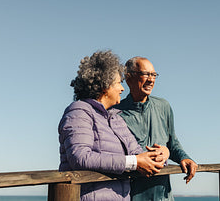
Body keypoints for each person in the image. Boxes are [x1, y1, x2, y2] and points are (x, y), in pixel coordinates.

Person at [58, 51, 169, 201]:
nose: (122, 89)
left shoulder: (115, 118)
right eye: (118, 83)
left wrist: (161, 155)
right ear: (105, 85)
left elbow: (138, 153)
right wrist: (134, 162)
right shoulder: (79, 111)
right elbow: (80, 157)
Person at [114, 57, 198, 201]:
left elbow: (172, 142)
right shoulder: (114, 112)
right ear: (129, 78)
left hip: (164, 196)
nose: (151, 80)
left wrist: (184, 157)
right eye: (145, 74)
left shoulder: (163, 106)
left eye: (154, 75)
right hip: (130, 196)